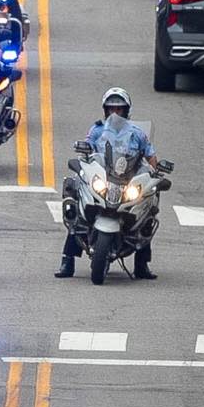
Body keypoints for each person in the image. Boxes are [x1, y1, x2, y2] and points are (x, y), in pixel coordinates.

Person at [55, 87, 161, 279]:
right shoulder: (97, 130)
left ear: (126, 111)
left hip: (126, 180)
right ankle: (67, 261)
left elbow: (151, 157)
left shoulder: (137, 134)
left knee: (149, 207)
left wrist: (155, 174)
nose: (115, 113)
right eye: (111, 109)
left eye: (119, 109)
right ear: (105, 110)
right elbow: (85, 152)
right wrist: (82, 162)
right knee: (75, 204)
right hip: (103, 178)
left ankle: (142, 264)